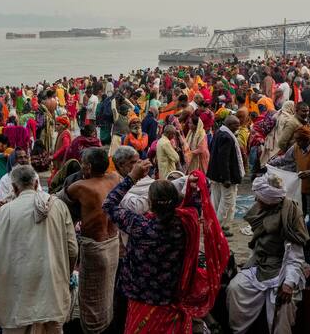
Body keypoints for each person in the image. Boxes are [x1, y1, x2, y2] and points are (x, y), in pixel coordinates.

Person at [104, 161, 229, 333]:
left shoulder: (139, 226)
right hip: (171, 300)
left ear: (151, 204)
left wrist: (132, 177)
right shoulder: (186, 224)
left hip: (141, 301)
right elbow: (195, 202)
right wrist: (192, 186)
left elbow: (109, 204)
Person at [0, 165, 77, 334]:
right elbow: (72, 249)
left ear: (14, 188)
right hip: (51, 292)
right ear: (37, 183)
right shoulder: (58, 206)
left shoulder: (3, 213)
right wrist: (64, 276)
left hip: (16, 298)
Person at [227, 173, 309, 334]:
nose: (256, 201)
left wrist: (289, 283)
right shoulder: (259, 210)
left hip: (283, 267)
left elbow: (295, 255)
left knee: (284, 303)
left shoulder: (290, 215)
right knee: (234, 289)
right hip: (259, 263)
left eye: (259, 198)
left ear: (270, 200)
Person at [61, 147, 120, 333]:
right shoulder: (115, 178)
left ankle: (94, 329)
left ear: (88, 167)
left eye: (83, 164)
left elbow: (57, 201)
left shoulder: (82, 187)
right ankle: (106, 324)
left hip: (95, 249)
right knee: (107, 293)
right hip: (113, 244)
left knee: (91, 299)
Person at [269, 125, 310, 217]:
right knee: (300, 212)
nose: (297, 142)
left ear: (306, 140)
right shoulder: (296, 147)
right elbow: (285, 159)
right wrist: (271, 163)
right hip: (301, 188)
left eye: (299, 140)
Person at [206, 115, 244, 237]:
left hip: (216, 174)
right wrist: (226, 178)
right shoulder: (227, 137)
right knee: (227, 201)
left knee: (216, 199)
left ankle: (215, 224)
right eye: (236, 125)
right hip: (224, 176)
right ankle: (219, 227)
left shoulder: (220, 132)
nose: (238, 127)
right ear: (230, 124)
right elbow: (224, 159)